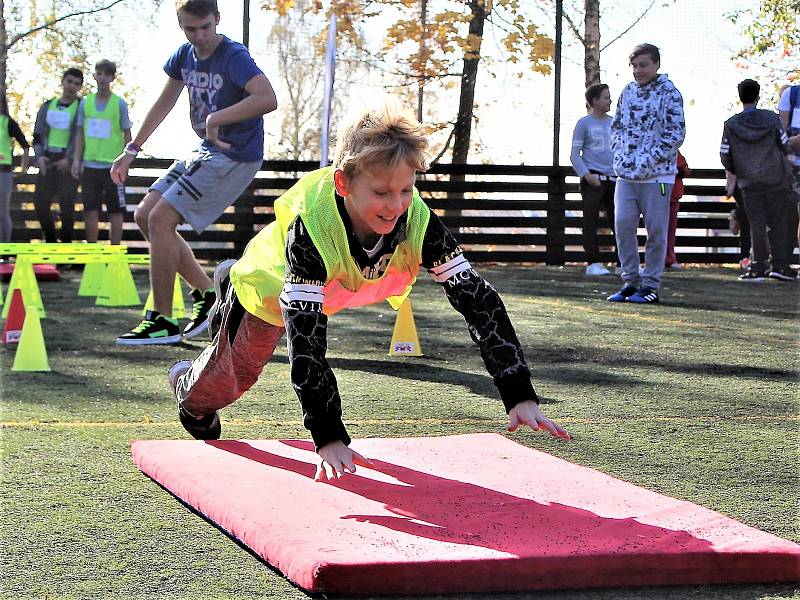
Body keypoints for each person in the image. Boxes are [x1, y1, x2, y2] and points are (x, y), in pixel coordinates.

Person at [168, 106, 571, 481]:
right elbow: (307, 338)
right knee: (231, 381)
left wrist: (518, 393)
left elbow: (479, 303)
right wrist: (328, 436)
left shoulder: (417, 220)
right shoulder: (311, 229)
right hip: (269, 286)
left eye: (406, 191)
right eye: (381, 192)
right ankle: (191, 387)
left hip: (342, 283)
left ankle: (224, 286)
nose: (396, 205)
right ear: (343, 183)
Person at [110, 0, 278, 345]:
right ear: (181, 26)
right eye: (191, 29)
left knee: (161, 220)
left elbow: (267, 98)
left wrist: (218, 117)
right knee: (145, 215)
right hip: (206, 151)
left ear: (217, 19)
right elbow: (164, 102)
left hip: (235, 155)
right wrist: (132, 149)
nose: (200, 36)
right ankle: (206, 293)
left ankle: (161, 319)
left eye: (205, 27)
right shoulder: (183, 56)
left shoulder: (233, 56)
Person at [607, 43, 685, 304]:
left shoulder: (670, 93)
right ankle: (630, 281)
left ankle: (650, 285)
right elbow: (616, 127)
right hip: (625, 176)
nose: (638, 70)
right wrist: (619, 155)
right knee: (623, 226)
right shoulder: (627, 92)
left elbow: (675, 133)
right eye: (634, 66)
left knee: (655, 231)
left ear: (656, 65)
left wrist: (648, 160)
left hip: (657, 177)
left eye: (643, 65)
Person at [720, 78, 795, 282]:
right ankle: (779, 265)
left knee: (756, 224)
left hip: (748, 181)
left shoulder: (732, 124)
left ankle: (757, 267)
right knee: (778, 223)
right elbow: (784, 144)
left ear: (740, 96)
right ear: (758, 95)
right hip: (775, 178)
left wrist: (739, 169)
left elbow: (725, 154)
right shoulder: (771, 119)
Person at [71, 60, 132, 245]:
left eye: (107, 74)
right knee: (90, 209)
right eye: (100, 73)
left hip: (113, 167)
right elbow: (80, 134)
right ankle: (92, 252)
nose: (103, 77)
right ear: (95, 76)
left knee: (115, 210)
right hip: (89, 165)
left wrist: (126, 163)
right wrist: (76, 160)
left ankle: (115, 253)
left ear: (113, 77)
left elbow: (127, 134)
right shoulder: (85, 103)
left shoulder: (119, 104)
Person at [31, 67, 83, 243]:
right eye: (69, 81)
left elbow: (81, 137)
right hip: (47, 160)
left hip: (68, 163)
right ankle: (51, 240)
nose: (72, 86)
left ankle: (65, 247)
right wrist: (39, 157)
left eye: (76, 83)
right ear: (63, 81)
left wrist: (69, 160)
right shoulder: (47, 106)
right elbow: (37, 136)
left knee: (67, 206)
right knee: (40, 203)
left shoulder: (81, 107)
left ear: (80, 86)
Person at [570, 83, 616, 276]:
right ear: (594, 100)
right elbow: (574, 153)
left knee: (620, 221)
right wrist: (587, 176)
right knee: (590, 221)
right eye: (606, 97)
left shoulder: (615, 122)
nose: (610, 100)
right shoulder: (584, 123)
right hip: (593, 180)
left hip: (615, 180)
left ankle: (624, 262)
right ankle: (593, 262)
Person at [0, 93, 31, 244]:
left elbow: (25, 145)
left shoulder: (7, 122)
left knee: (2, 213)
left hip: (3, 173)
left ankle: (4, 252)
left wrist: (23, 169)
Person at [777, 83, 800, 263]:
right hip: (791, 168)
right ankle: (782, 263)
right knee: (788, 218)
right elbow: (781, 133)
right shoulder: (791, 94)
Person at [664, 150, 691, 269]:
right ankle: (669, 258)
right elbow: (683, 167)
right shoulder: (672, 149)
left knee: (660, 230)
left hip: (668, 195)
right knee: (668, 230)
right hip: (670, 195)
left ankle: (665, 258)